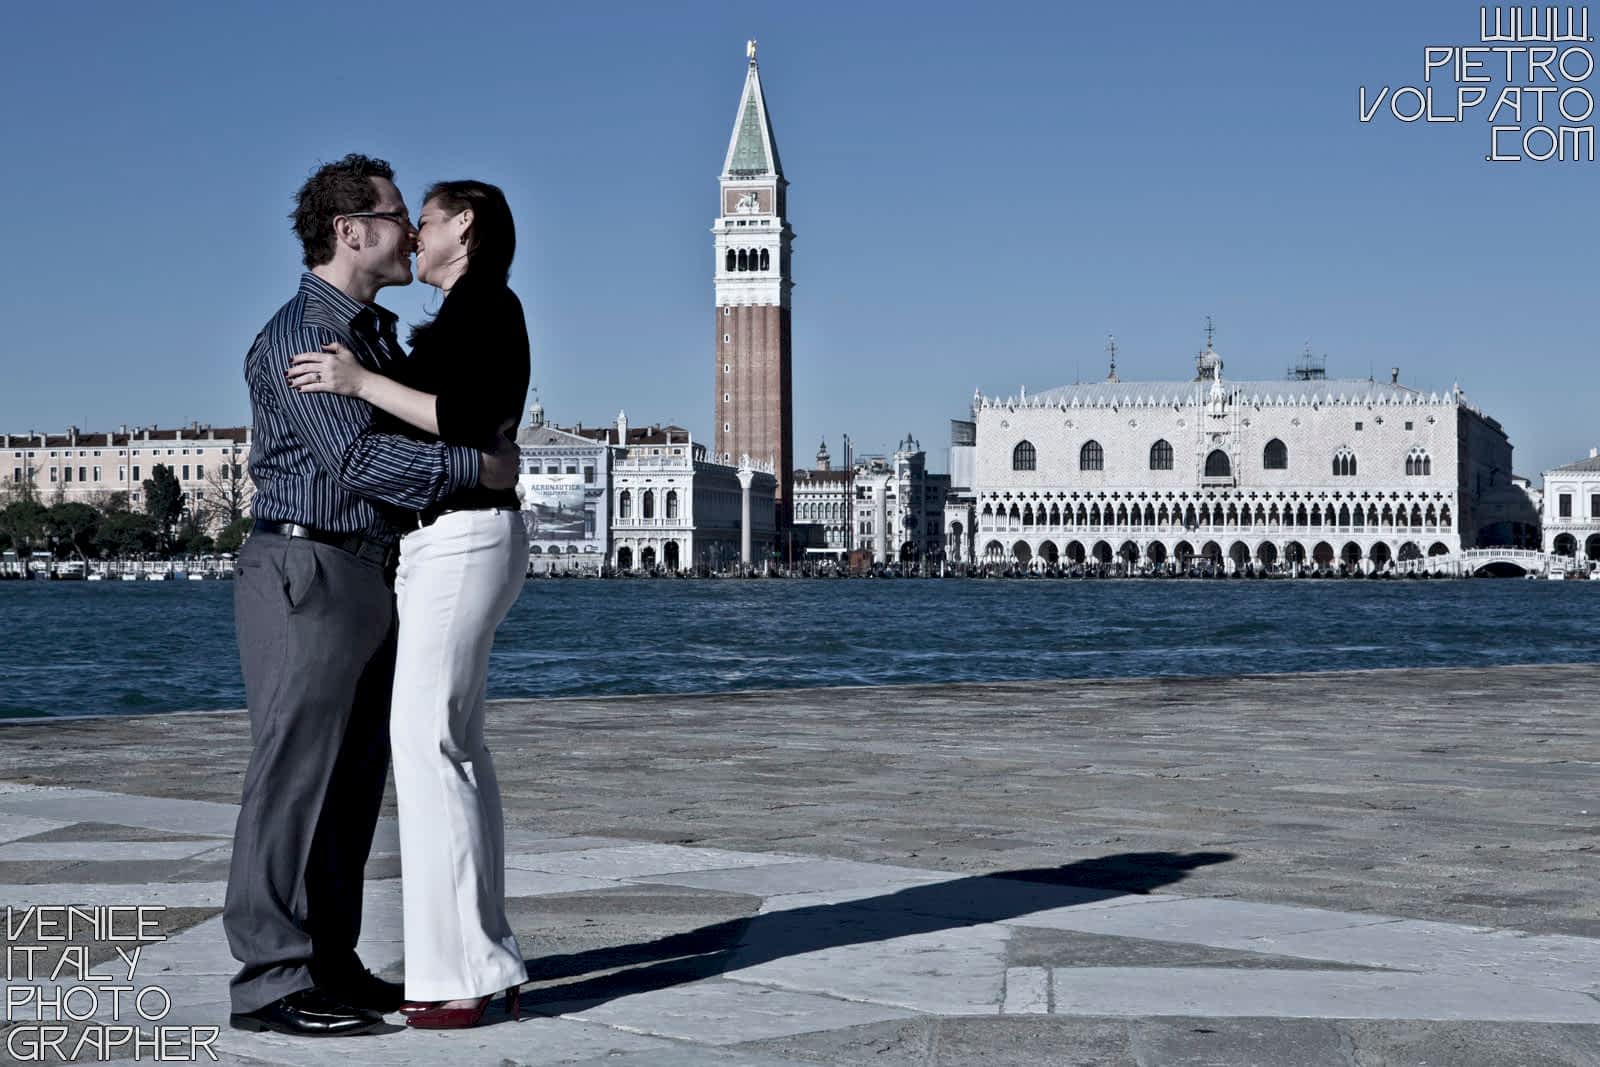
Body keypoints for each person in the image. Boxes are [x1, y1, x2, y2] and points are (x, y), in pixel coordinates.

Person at [226, 155, 522, 1038]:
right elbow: (356, 461)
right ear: (351, 231)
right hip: (305, 569)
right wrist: (477, 466)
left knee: (354, 781)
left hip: (366, 569)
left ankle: (331, 960)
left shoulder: (373, 336)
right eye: (396, 215)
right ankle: (269, 981)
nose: (409, 232)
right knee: (292, 778)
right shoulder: (299, 339)